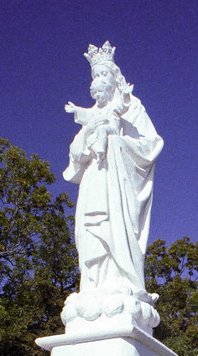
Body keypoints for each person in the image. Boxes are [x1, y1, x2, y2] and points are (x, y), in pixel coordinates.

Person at [62, 42, 163, 294]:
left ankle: (120, 281)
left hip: (118, 183)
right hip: (94, 178)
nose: (98, 80)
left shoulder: (132, 107)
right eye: (95, 76)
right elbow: (75, 155)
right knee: (90, 231)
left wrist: (116, 142)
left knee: (111, 226)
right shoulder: (90, 117)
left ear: (114, 77)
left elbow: (151, 145)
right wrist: (89, 135)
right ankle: (93, 285)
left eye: (103, 74)